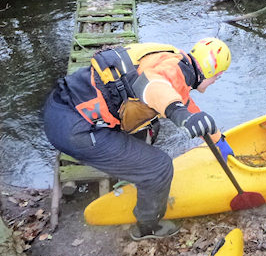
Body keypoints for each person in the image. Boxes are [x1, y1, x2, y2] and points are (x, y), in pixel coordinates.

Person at [43, 38, 233, 240]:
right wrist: (178, 113)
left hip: (61, 104)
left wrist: (217, 139)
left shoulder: (174, 60)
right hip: (74, 129)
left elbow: (183, 100)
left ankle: (134, 175)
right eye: (217, 78)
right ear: (213, 73)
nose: (214, 82)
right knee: (159, 167)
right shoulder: (172, 73)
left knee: (151, 126)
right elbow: (152, 85)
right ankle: (147, 227)